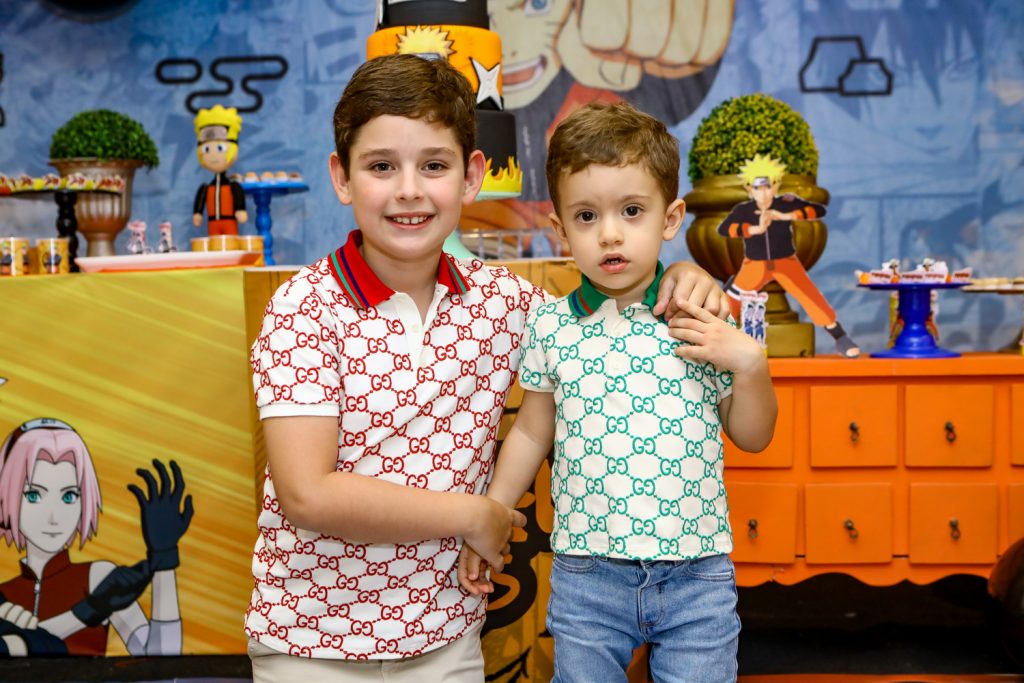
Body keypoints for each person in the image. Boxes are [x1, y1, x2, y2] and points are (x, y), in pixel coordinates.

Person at [245, 54, 730, 682]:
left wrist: (683, 274)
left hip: (448, 641)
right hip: (309, 641)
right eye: (381, 166)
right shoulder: (304, 308)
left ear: (472, 176)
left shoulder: (510, 305)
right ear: (342, 177)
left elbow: (614, 306)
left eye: (434, 166)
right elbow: (307, 493)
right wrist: (475, 516)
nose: (409, 190)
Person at [457, 101, 778, 682]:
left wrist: (752, 366)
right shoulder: (552, 326)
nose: (609, 233)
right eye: (586, 216)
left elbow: (752, 436)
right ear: (559, 229)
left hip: (697, 574)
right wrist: (493, 515)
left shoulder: (698, 318)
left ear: (670, 218)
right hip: (588, 575)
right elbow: (530, 431)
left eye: (632, 211)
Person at [0, 418, 192, 656]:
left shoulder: (98, 578)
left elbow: (161, 656)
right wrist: (86, 612)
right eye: (33, 496)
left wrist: (165, 562)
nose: (53, 517)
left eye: (69, 496)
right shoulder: (5, 594)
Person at [718, 153, 860, 357]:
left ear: (775, 187)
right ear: (749, 189)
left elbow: (817, 210)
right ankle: (718, 339)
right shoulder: (744, 210)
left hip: (785, 261)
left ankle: (840, 337)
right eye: (757, 187)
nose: (763, 192)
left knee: (810, 296)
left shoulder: (785, 202)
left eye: (767, 186)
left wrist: (787, 215)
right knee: (732, 299)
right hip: (755, 264)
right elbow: (725, 228)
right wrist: (754, 229)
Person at [192, 105, 248, 236]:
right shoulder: (205, 188)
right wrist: (198, 213)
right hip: (212, 224)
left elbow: (238, 197)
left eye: (220, 148)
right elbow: (200, 201)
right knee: (214, 246)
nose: (213, 155)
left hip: (230, 222)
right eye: (206, 149)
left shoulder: (233, 186)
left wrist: (240, 209)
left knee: (231, 244)